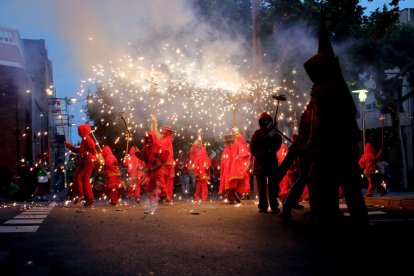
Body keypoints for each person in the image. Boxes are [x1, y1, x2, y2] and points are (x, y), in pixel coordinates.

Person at [302, 13, 368, 227]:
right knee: (348, 186)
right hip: (344, 144)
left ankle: (326, 218)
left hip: (330, 146)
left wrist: (312, 143)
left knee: (321, 182)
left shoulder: (324, 92)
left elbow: (321, 124)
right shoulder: (337, 88)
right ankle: (356, 220)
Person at [250, 112, 282, 213]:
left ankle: (274, 205)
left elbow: (278, 143)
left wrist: (273, 136)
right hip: (261, 163)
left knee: (273, 185)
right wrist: (262, 152)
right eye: (264, 121)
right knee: (262, 187)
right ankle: (263, 206)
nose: (266, 123)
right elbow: (253, 148)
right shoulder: (257, 134)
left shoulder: (273, 132)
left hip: (271, 162)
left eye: (268, 121)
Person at [65, 124, 97, 207]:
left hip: (86, 162)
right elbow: (79, 150)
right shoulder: (85, 139)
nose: (78, 133)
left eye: (79, 131)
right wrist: (70, 146)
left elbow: (92, 149)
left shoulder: (87, 139)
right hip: (89, 162)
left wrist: (88, 154)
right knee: (85, 180)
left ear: (83, 131)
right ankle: (90, 198)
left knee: (78, 177)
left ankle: (81, 195)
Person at [135, 131, 168, 205]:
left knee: (160, 182)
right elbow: (143, 157)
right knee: (151, 185)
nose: (149, 140)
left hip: (158, 168)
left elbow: (162, 158)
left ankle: (163, 196)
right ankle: (152, 199)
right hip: (150, 170)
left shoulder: (158, 146)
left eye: (150, 138)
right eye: (147, 138)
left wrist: (157, 164)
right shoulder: (145, 148)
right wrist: (137, 153)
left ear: (153, 138)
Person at [159, 125, 175, 201]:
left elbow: (169, 152)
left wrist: (169, 163)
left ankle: (166, 196)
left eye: (164, 129)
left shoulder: (168, 139)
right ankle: (163, 195)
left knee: (166, 180)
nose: (162, 130)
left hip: (166, 162)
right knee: (161, 179)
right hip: (162, 162)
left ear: (168, 131)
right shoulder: (162, 138)